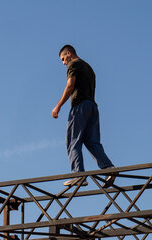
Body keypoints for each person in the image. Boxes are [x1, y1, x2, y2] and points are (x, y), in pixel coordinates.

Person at [52, 44, 115, 188]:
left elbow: (70, 86)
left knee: (73, 140)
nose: (63, 63)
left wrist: (58, 106)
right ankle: (108, 168)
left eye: (63, 59)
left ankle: (78, 175)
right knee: (92, 142)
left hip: (80, 106)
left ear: (69, 54)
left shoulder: (74, 64)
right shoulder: (89, 68)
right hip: (92, 107)